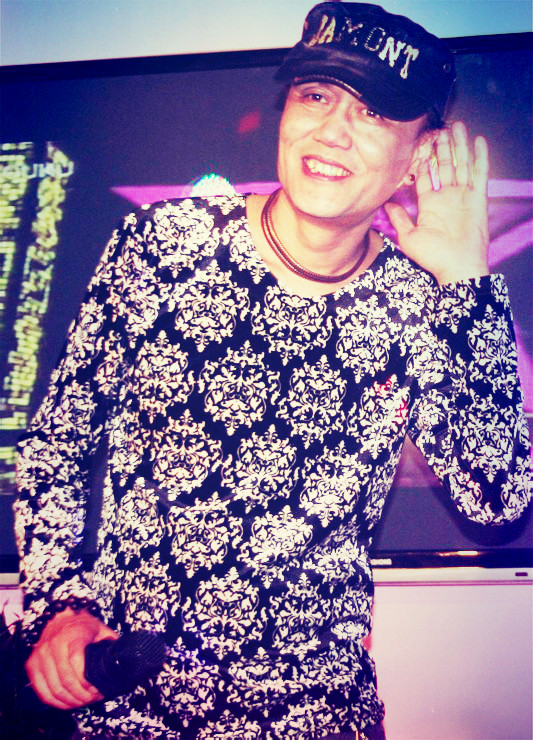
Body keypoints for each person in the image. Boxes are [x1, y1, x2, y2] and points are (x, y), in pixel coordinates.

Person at [14, 3, 532, 739]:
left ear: (419, 155)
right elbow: (59, 441)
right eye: (316, 95)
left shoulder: (421, 303)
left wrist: (466, 281)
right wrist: (61, 603)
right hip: (129, 702)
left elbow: (497, 502)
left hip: (314, 714)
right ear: (286, 111)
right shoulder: (164, 245)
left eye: (375, 113)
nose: (333, 132)